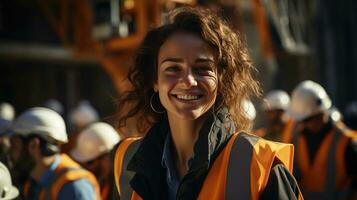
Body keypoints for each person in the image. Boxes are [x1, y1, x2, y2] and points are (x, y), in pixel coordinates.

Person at [113, 7, 302, 200]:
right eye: (173, 68)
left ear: (221, 80)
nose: (188, 81)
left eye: (202, 68)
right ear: (155, 81)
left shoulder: (258, 163)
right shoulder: (128, 160)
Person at [8, 107, 101, 200]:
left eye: (14, 146)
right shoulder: (32, 182)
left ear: (33, 145)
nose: (10, 152)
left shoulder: (73, 187)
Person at [287, 80, 357, 200]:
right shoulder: (296, 138)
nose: (305, 125)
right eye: (303, 120)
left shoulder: (346, 142)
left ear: (322, 113)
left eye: (308, 119)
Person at [70, 122, 121, 200]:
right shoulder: (102, 182)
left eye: (90, 162)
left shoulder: (123, 187)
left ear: (109, 156)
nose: (87, 168)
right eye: (82, 163)